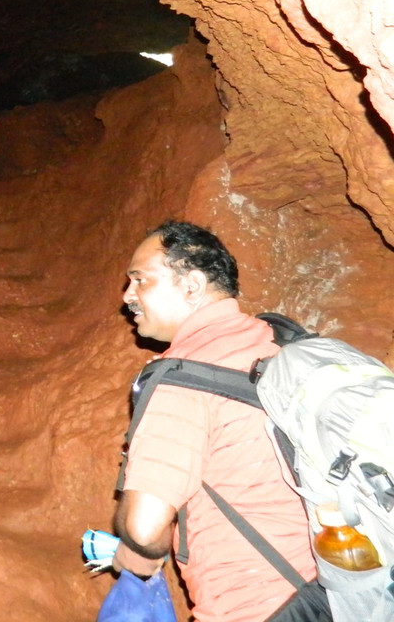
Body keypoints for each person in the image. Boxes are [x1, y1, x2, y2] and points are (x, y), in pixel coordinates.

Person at [113, 220, 328, 622]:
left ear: (192, 286)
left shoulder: (184, 377)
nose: (127, 296)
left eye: (140, 280)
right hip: (341, 585)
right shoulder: (278, 344)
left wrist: (134, 550)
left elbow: (145, 527)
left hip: (257, 604)